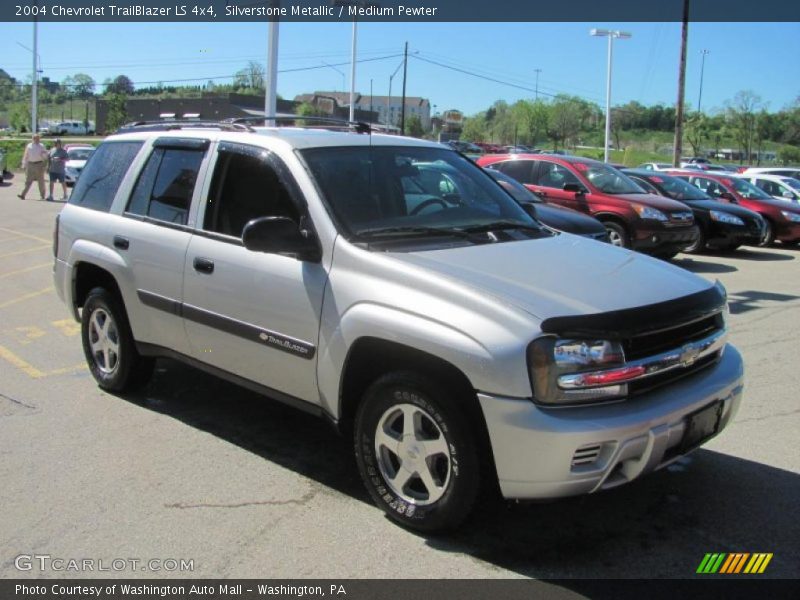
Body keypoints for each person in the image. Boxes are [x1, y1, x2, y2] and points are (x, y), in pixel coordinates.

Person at [18, 134, 48, 201]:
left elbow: (46, 156)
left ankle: (42, 196)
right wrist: (23, 164)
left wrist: (43, 155)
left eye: (37, 138)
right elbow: (26, 155)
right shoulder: (29, 146)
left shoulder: (42, 146)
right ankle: (23, 195)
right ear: (32, 139)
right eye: (35, 138)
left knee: (41, 181)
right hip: (30, 164)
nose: (36, 139)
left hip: (39, 164)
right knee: (28, 181)